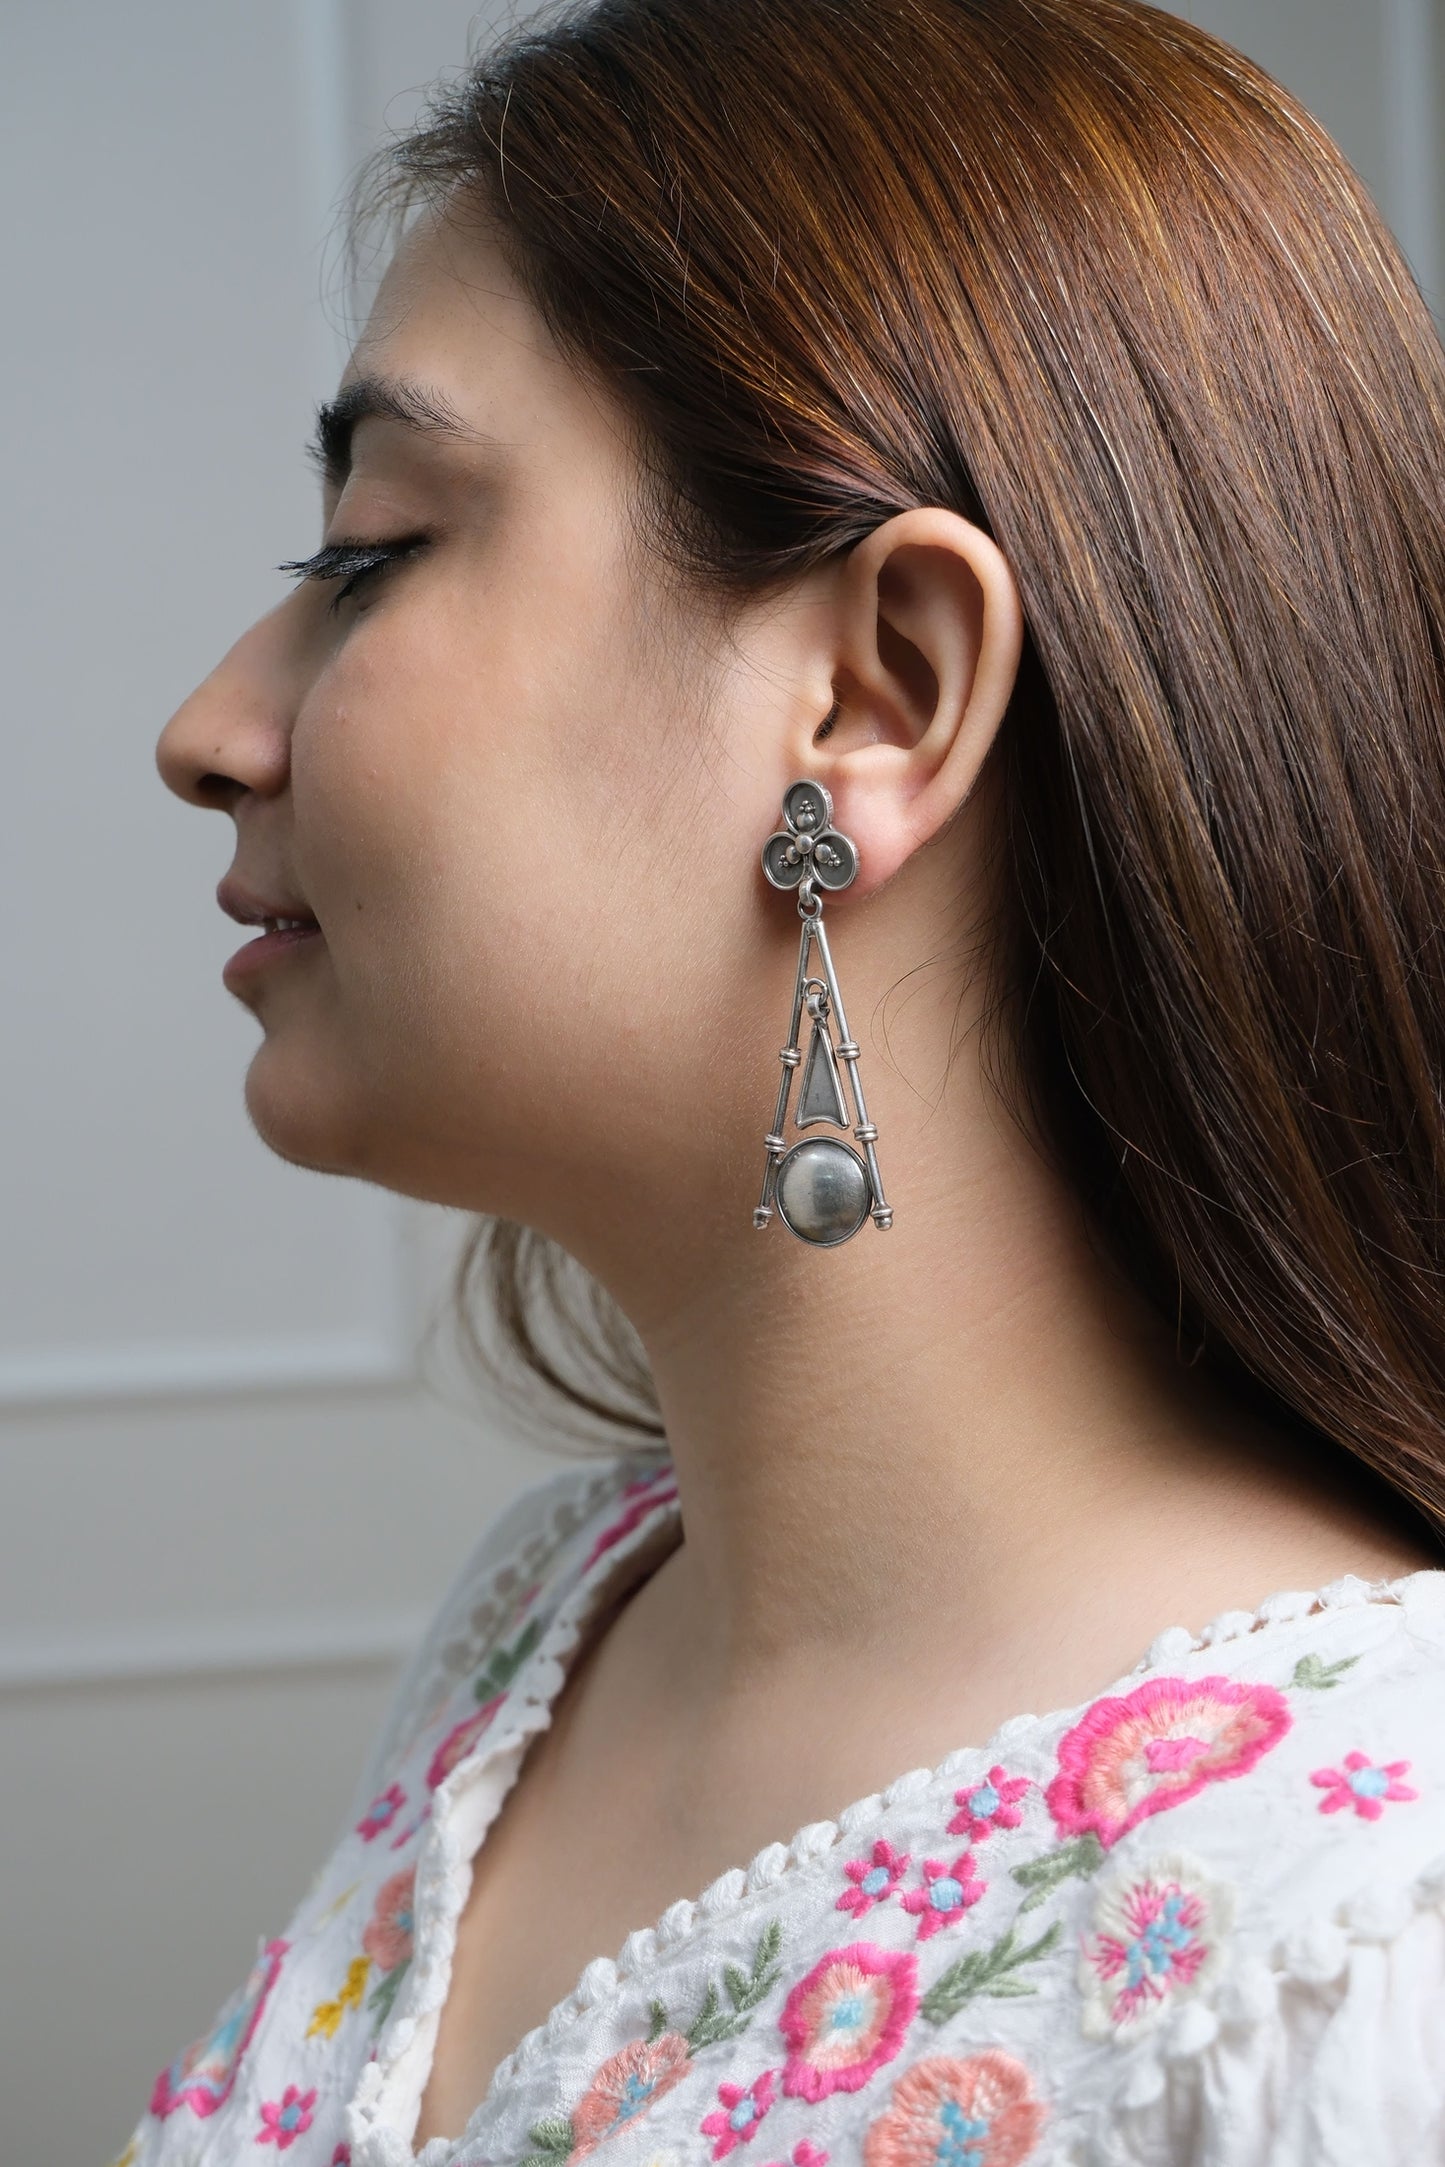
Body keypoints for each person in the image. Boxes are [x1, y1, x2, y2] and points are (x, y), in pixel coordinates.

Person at [126, 0, 1445, 2160]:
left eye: (369, 557)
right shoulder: (545, 1629)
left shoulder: (1372, 1936)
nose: (211, 725)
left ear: (875, 693)